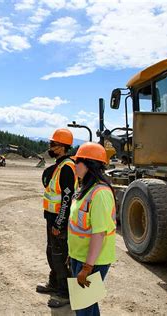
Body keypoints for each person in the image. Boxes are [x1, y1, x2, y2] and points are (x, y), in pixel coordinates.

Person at [68, 142, 116, 316]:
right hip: (80, 256)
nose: (74, 166)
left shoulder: (100, 193)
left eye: (77, 162)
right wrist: (72, 254)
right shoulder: (85, 189)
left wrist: (87, 267)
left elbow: (99, 233)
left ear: (89, 165)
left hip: (92, 261)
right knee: (87, 305)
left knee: (84, 308)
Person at [37, 128, 79, 308]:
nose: (50, 147)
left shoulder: (67, 168)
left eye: (53, 144)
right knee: (51, 252)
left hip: (58, 220)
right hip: (51, 218)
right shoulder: (60, 166)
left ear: (62, 147)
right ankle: (54, 284)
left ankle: (64, 293)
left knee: (59, 255)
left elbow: (67, 200)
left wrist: (60, 223)